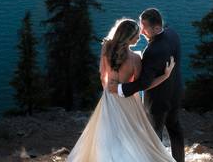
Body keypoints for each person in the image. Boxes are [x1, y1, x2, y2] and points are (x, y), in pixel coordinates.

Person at [66, 17, 176, 162]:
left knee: (107, 134)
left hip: (109, 97)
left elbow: (102, 74)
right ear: (128, 37)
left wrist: (108, 90)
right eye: (136, 35)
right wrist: (165, 76)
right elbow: (142, 85)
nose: (139, 37)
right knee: (131, 135)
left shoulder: (106, 48)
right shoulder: (136, 58)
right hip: (128, 100)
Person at [108, 8, 185, 162]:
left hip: (157, 101)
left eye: (144, 27)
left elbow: (144, 82)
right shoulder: (172, 34)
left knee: (153, 136)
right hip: (175, 93)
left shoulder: (152, 51)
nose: (141, 30)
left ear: (156, 28)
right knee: (175, 128)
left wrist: (120, 88)